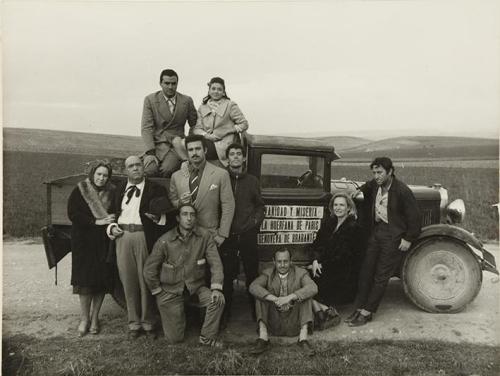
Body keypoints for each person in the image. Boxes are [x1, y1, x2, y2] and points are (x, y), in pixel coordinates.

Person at [347, 157, 421, 327]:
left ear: (390, 172)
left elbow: (415, 217)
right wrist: (357, 190)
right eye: (374, 172)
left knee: (381, 275)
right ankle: (359, 307)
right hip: (377, 232)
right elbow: (368, 185)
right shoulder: (375, 185)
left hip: (393, 235)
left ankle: (368, 312)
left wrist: (408, 238)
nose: (376, 176)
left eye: (380, 172)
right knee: (366, 271)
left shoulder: (402, 191)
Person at [107, 156, 175, 339]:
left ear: (143, 168)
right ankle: (133, 324)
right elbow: (111, 214)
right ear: (126, 170)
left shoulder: (155, 188)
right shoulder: (119, 189)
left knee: (146, 281)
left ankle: (148, 323)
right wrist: (111, 228)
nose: (135, 168)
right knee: (128, 281)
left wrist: (158, 218)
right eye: (131, 166)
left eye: (138, 165)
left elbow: (168, 216)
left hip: (144, 237)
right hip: (123, 237)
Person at [143, 204, 225, 347]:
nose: (189, 218)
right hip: (170, 291)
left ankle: (206, 338)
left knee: (218, 300)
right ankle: (177, 318)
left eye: (192, 215)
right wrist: (157, 291)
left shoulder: (205, 236)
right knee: (175, 339)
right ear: (178, 218)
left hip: (195, 289)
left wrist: (216, 287)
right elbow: (149, 270)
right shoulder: (165, 240)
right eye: (185, 214)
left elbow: (216, 264)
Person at [67, 160, 116, 336]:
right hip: (84, 242)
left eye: (105, 175)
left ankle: (95, 318)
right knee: (85, 282)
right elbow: (73, 214)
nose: (102, 178)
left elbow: (116, 213)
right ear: (92, 174)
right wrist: (96, 221)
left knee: (100, 281)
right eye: (99, 174)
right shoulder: (81, 190)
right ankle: (84, 319)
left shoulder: (112, 193)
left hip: (102, 242)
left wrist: (111, 221)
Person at [219, 143, 265, 327]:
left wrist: (252, 224)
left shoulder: (252, 180)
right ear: (227, 158)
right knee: (226, 276)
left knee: (252, 275)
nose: (236, 157)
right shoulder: (222, 178)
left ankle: (257, 315)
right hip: (227, 236)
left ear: (244, 158)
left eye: (239, 154)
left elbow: (260, 206)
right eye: (232, 154)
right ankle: (224, 315)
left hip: (247, 236)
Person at [168, 134, 235, 249]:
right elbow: (172, 201)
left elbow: (228, 204)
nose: (194, 153)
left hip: (210, 236)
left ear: (205, 150)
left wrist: (222, 234)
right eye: (190, 150)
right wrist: (179, 202)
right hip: (183, 236)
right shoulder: (176, 176)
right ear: (187, 153)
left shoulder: (221, 174)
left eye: (198, 149)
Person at [249, 249, 318, 356]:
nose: (282, 265)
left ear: (291, 261)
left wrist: (290, 297)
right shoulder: (268, 273)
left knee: (305, 295)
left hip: (295, 322)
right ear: (274, 262)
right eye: (279, 261)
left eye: (285, 261)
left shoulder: (301, 273)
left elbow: (313, 287)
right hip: (273, 322)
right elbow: (253, 286)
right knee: (260, 295)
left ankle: (303, 339)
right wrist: (275, 299)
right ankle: (263, 338)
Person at [309, 192, 361, 330]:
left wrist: (321, 265)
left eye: (342, 205)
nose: (338, 208)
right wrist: (315, 261)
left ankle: (322, 311)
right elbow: (317, 244)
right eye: (336, 205)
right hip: (324, 266)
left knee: (307, 283)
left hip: (342, 273)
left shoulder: (353, 227)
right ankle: (325, 312)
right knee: (301, 279)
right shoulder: (329, 222)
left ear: (349, 208)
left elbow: (344, 257)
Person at [141, 69, 197, 177]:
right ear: (160, 83)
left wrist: (188, 143)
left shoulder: (187, 101)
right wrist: (150, 152)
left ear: (177, 84)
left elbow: (195, 125)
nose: (170, 87)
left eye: (173, 83)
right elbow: (146, 128)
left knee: (167, 169)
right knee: (149, 170)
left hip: (176, 146)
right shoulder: (150, 100)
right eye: (167, 83)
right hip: (156, 145)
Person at [193, 77, 248, 167]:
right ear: (209, 91)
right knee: (188, 145)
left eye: (219, 89)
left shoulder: (230, 105)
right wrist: (207, 136)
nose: (216, 92)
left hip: (224, 143)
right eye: (213, 89)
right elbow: (197, 129)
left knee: (199, 150)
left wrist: (226, 131)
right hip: (208, 140)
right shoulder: (202, 107)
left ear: (223, 92)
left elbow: (244, 124)